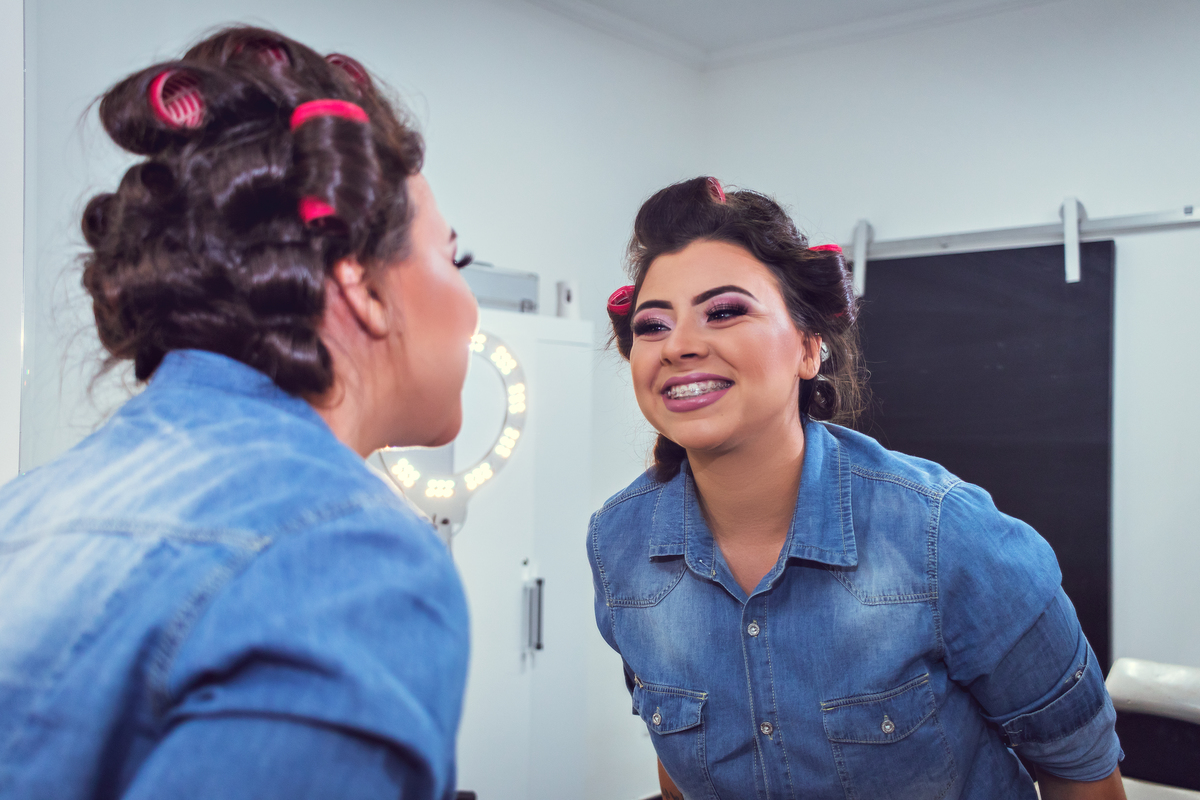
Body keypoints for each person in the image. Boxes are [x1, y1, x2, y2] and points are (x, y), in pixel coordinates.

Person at [0, 27, 477, 799]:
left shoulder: (23, 510)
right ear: (361, 284)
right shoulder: (346, 562)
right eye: (455, 258)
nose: (470, 306)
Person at [589, 177, 1125, 799]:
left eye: (725, 311)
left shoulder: (946, 535)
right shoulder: (618, 544)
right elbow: (678, 764)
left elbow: (1082, 775)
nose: (679, 345)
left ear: (808, 347)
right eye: (653, 325)